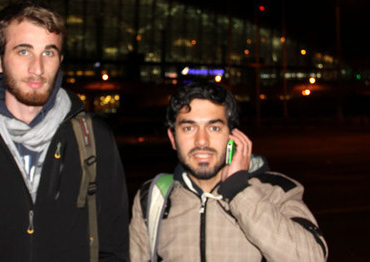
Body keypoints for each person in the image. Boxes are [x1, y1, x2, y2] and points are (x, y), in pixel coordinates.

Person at [0, 1, 129, 261]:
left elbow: (114, 248)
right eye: (23, 52)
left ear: (60, 60)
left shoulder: (94, 139)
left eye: (49, 53)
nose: (37, 68)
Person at [129, 82, 328, 261]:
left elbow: (312, 257)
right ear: (173, 139)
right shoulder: (153, 196)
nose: (201, 141)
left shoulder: (275, 190)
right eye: (189, 128)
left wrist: (239, 191)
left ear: (233, 137)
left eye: (214, 128)